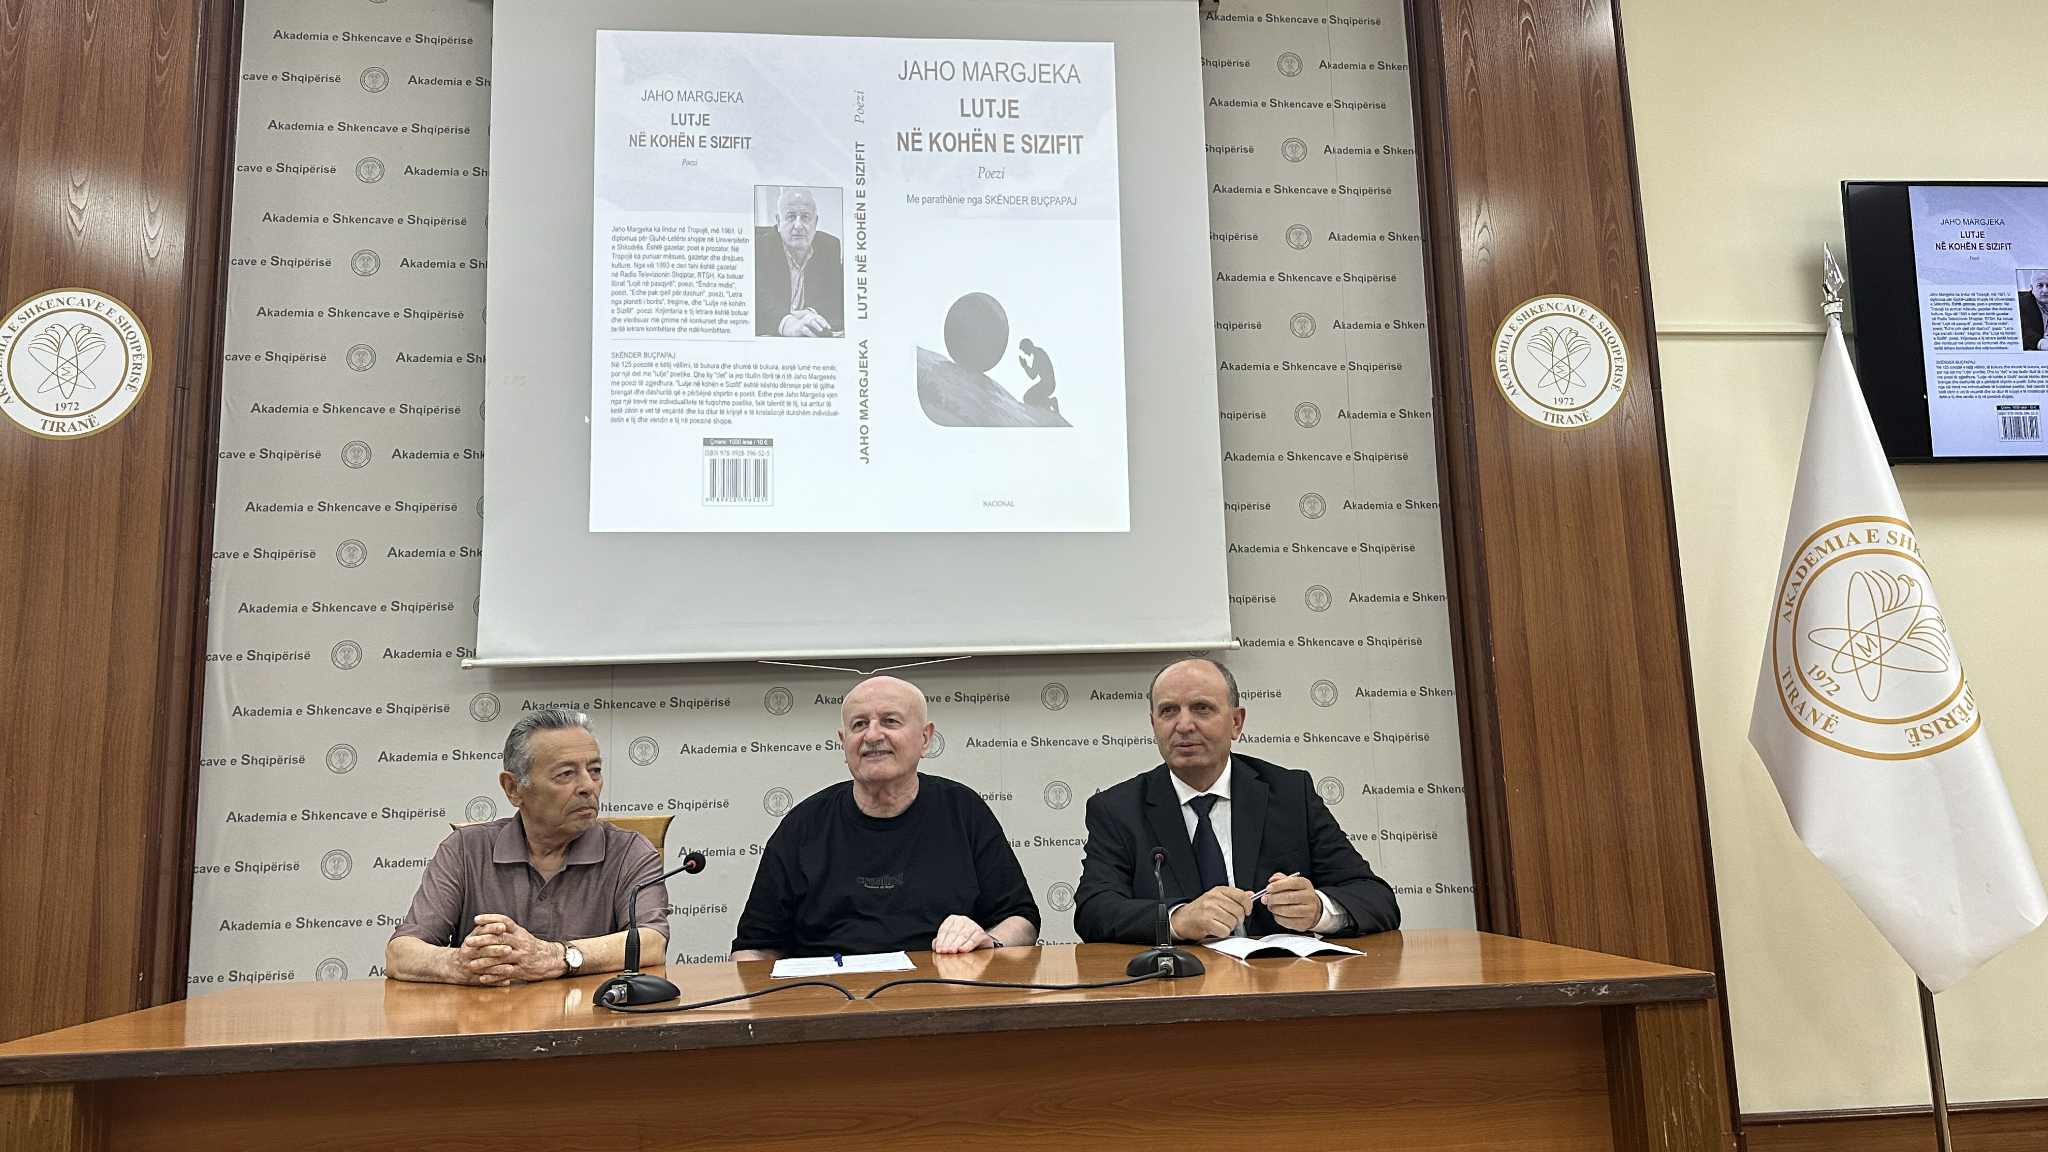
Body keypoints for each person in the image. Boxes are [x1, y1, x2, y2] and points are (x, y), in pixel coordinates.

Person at [1074, 657, 1400, 944]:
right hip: (1175, 982)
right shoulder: (1118, 809)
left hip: (1277, 981)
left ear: (1236, 722)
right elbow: (1093, 910)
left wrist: (1318, 909)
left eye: (1201, 708)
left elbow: (1376, 898)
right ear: (1153, 724)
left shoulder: (1290, 794)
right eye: (1168, 711)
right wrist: (1177, 919)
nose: (1183, 725)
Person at [732, 676, 1039, 960]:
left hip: (944, 988)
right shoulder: (802, 826)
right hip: (828, 993)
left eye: (890, 721)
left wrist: (989, 941)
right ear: (843, 741)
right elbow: (752, 949)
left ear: (925, 738)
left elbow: (1021, 920)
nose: (873, 735)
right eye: (859, 724)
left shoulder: (964, 810)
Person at [385, 708, 667, 985]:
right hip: (489, 1013)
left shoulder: (630, 851)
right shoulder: (465, 850)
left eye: (594, 771)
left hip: (591, 1012)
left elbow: (651, 943)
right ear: (513, 788)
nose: (588, 786)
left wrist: (556, 957)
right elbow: (400, 954)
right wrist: (460, 964)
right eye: (565, 774)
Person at [755, 186, 844, 337]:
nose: (798, 225)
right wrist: (787, 323)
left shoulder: (829, 247)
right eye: (791, 217)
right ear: (778, 221)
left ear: (816, 222)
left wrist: (810, 314)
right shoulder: (759, 247)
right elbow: (759, 300)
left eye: (805, 217)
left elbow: (835, 299)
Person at [2019, 270, 2048, 351]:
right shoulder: (2022, 303)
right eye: (2040, 285)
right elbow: (2023, 331)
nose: (2045, 290)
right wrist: (2041, 343)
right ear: (2032, 288)